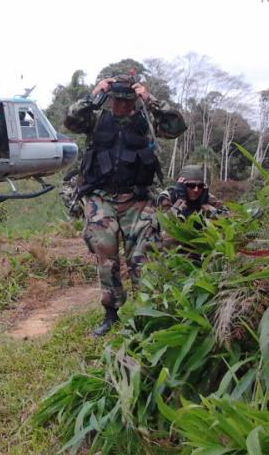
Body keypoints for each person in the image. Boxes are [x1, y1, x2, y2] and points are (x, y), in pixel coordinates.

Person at [64, 75, 186, 336]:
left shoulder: (146, 122)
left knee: (143, 257)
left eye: (126, 100)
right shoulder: (96, 119)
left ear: (133, 100)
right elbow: (71, 120)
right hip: (100, 198)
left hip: (137, 200)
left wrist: (150, 100)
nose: (121, 105)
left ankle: (148, 312)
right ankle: (111, 313)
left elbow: (176, 127)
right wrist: (94, 94)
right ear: (110, 100)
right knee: (105, 253)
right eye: (116, 99)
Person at [157, 165, 227, 220]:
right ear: (181, 186)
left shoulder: (206, 197)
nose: (196, 190)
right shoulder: (168, 196)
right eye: (191, 185)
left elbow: (228, 218)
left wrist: (206, 208)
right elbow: (163, 223)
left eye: (200, 185)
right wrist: (181, 201)